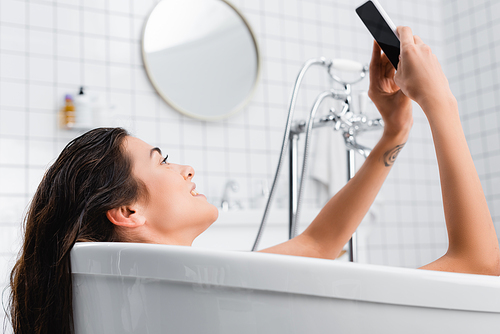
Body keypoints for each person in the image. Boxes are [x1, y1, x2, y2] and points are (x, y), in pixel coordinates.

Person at [9, 26, 500, 334]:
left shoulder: (190, 296)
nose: (186, 169)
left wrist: (396, 129)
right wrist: (441, 103)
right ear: (128, 212)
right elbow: (480, 269)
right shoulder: (205, 299)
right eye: (161, 161)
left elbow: (319, 243)